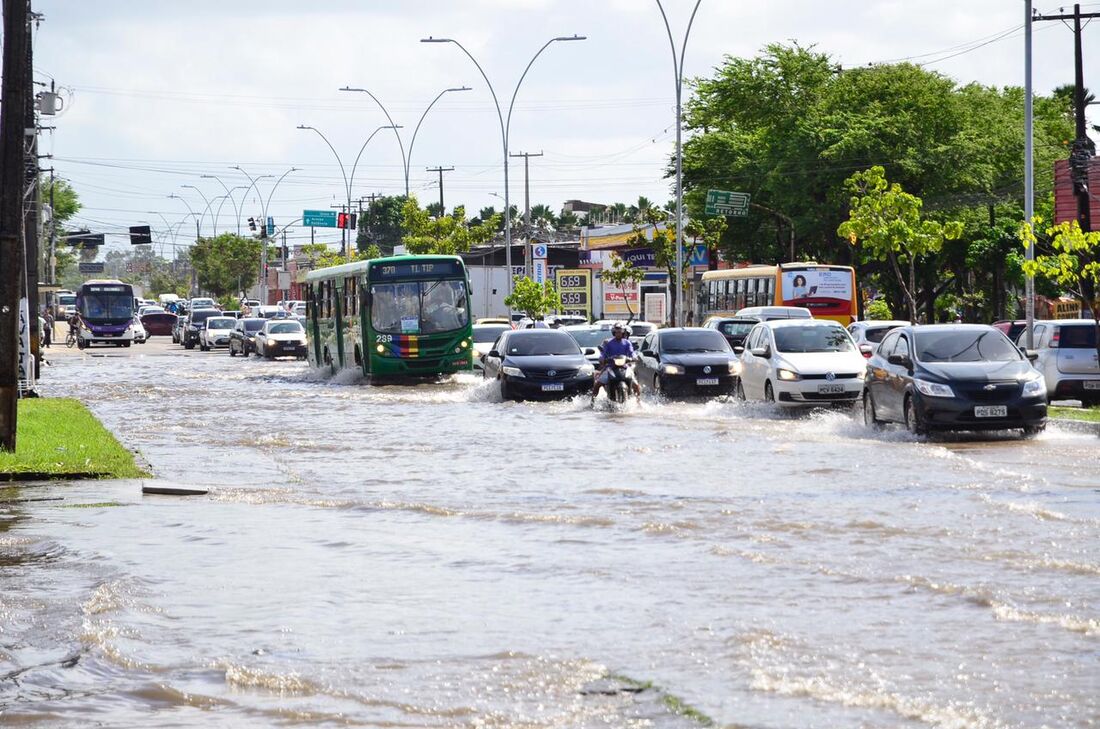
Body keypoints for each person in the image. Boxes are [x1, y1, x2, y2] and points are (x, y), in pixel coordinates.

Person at [591, 323, 641, 399]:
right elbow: (603, 353)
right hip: (610, 367)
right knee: (597, 384)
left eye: (620, 332)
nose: (618, 334)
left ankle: (638, 402)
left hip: (625, 367)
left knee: (636, 385)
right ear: (614, 332)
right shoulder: (608, 343)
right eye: (617, 332)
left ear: (623, 332)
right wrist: (602, 359)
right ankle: (592, 402)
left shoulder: (627, 343)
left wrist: (634, 357)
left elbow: (632, 352)